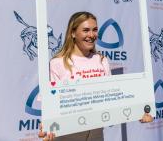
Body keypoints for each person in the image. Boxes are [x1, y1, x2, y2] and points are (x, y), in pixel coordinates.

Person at [39, 11, 152, 141]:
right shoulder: (57, 63)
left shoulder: (101, 60)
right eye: (86, 30)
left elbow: (113, 97)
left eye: (95, 30)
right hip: (67, 135)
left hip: (96, 134)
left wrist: (139, 112)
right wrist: (47, 127)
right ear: (73, 33)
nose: (91, 35)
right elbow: (50, 104)